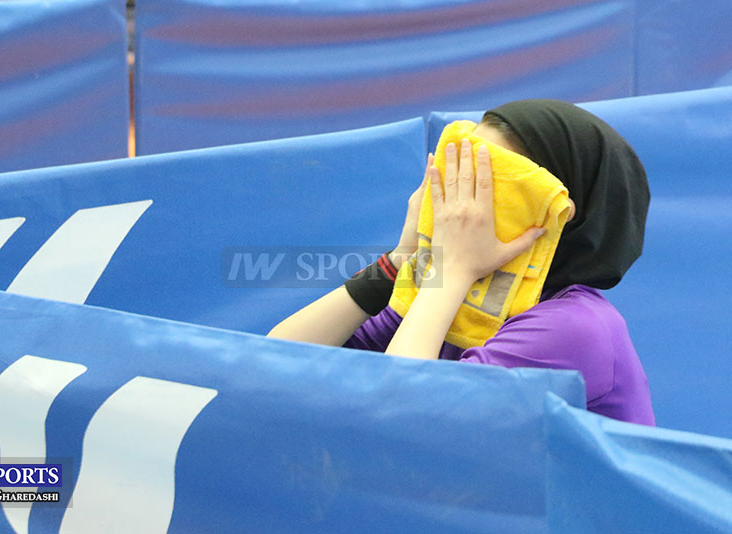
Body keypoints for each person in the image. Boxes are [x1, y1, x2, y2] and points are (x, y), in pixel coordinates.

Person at [268, 99, 654, 426]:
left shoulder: (575, 327)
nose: (459, 203)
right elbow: (279, 364)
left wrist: (451, 270)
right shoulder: (459, 293)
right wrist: (401, 260)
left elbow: (399, 414)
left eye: (491, 186)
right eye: (459, 175)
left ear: (560, 214)